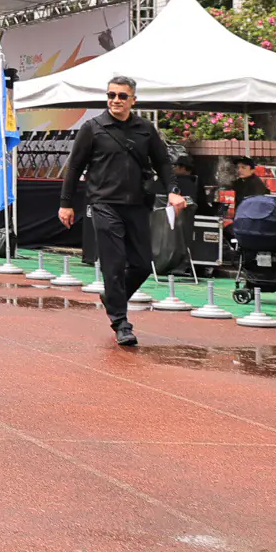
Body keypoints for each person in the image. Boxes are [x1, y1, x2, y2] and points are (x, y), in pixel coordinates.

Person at [56, 75, 188, 348]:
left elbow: (163, 163)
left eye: (121, 96)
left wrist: (173, 190)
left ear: (133, 100)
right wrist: (65, 203)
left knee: (141, 264)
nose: (115, 100)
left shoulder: (145, 129)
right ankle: (121, 323)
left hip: (139, 204)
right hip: (104, 204)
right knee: (114, 264)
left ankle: (113, 297)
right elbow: (74, 168)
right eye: (111, 95)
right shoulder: (92, 128)